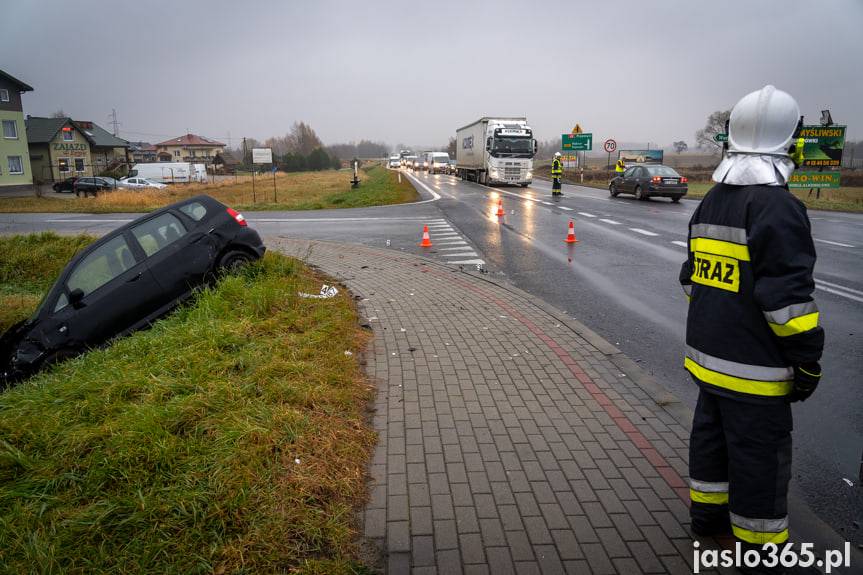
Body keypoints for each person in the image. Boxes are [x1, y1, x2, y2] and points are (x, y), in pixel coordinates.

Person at [680, 85, 823, 574]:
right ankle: (760, 552)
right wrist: (807, 359)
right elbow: (788, 305)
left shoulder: (711, 201)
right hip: (756, 370)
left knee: (710, 440)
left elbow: (691, 277)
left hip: (707, 358)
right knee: (759, 460)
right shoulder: (779, 208)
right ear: (789, 141)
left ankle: (706, 517)